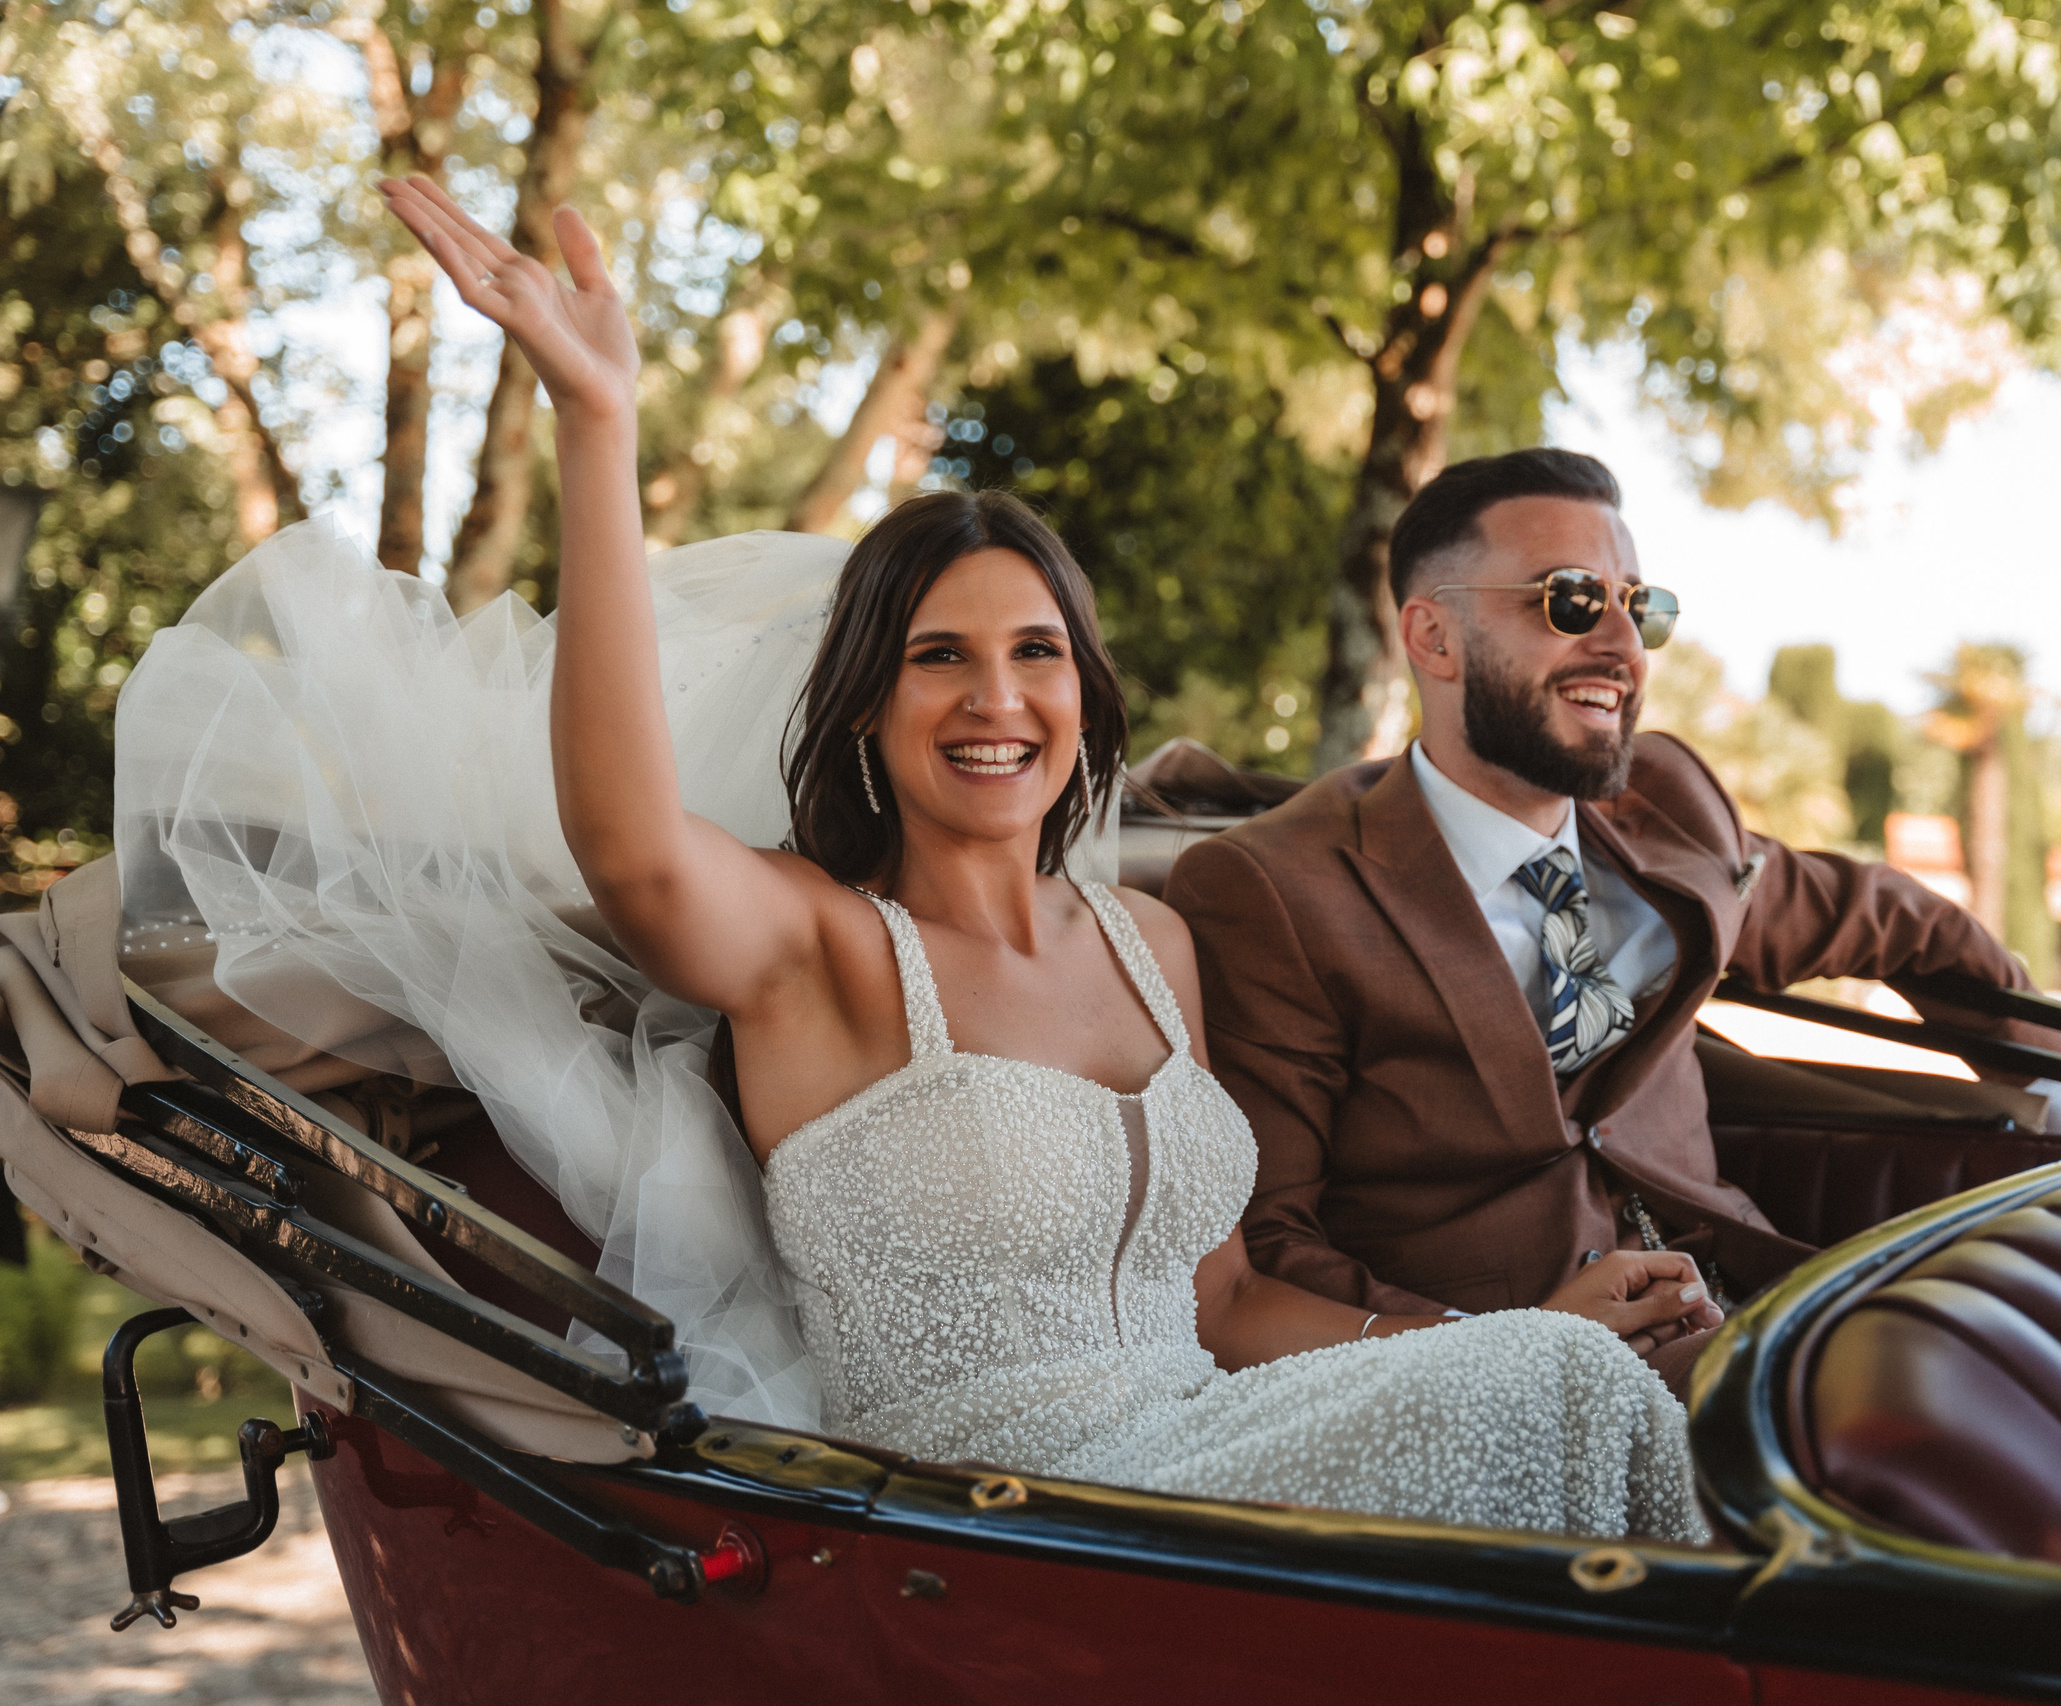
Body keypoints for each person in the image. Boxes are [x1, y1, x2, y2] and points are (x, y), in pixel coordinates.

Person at [114, 178, 1709, 1544]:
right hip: (997, 1507)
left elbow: (1224, 1308)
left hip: (1201, 1444)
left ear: (1085, 695)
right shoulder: (818, 945)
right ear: (871, 702)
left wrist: (1481, 1330)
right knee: (1562, 1391)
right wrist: (598, 422)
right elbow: (624, 838)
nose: (998, 698)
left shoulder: (1157, 943)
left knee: (1580, 1369)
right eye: (941, 658)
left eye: (1036, 654)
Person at [1163, 448, 2061, 1387]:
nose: (1621, 648)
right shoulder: (1275, 890)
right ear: (1432, 638)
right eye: (1570, 602)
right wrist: (1501, 1341)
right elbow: (1268, 1250)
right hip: (1506, 1387)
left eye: (1639, 607)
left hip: (1752, 1312)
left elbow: (1884, 917)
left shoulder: (1666, 809)